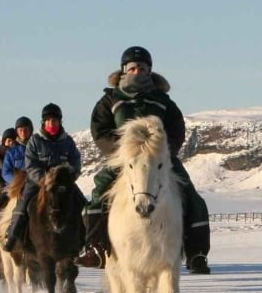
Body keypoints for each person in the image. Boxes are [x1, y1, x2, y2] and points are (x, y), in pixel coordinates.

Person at [78, 46, 212, 274]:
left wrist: (163, 151)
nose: (137, 71)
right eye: (132, 67)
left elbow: (176, 129)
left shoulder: (163, 101)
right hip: (124, 160)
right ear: (123, 70)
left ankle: (196, 253)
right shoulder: (110, 100)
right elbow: (99, 131)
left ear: (149, 71)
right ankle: (97, 248)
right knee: (99, 194)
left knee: (191, 195)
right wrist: (123, 150)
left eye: (142, 67)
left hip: (159, 160)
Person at [3, 103, 83, 249]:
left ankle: (86, 239)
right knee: (23, 203)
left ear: (60, 122)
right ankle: (13, 236)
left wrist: (71, 174)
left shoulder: (67, 141)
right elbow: (31, 164)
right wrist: (44, 179)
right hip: (38, 182)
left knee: (81, 201)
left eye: (55, 120)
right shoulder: (35, 141)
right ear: (43, 122)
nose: (51, 123)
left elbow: (75, 160)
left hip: (62, 182)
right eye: (48, 121)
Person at [0, 122, 30, 244]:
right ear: (4, 142)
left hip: (26, 185)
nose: (11, 142)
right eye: (8, 140)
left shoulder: (25, 150)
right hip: (6, 188)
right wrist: (6, 187)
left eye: (13, 140)